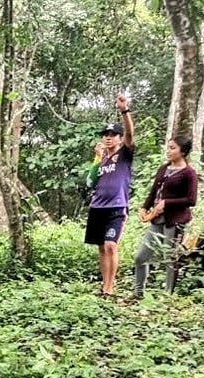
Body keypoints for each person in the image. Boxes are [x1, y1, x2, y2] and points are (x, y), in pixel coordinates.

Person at [133, 134, 198, 298]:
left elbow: (191, 200)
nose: (168, 151)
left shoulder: (189, 173)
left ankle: (168, 296)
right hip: (157, 219)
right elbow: (154, 191)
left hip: (175, 221)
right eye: (168, 147)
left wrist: (167, 203)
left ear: (183, 152)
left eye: (172, 148)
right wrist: (144, 207)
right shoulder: (163, 168)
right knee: (141, 256)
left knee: (170, 258)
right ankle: (138, 293)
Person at [85, 93, 134, 299]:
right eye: (105, 134)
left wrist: (124, 110)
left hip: (116, 207)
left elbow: (131, 134)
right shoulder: (103, 160)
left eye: (113, 134)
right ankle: (104, 287)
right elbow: (90, 181)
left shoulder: (124, 155)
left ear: (120, 138)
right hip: (97, 207)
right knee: (102, 249)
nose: (108, 137)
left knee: (111, 245)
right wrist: (98, 157)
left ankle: (110, 288)